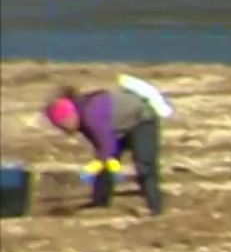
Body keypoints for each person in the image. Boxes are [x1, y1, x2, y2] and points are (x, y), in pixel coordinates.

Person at [42, 75, 173, 216]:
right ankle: (100, 202)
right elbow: (103, 148)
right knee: (105, 164)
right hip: (118, 127)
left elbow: (108, 146)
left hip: (141, 120)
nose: (64, 131)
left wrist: (92, 168)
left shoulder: (91, 115)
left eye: (63, 126)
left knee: (144, 166)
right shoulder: (81, 120)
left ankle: (154, 209)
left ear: (69, 117)